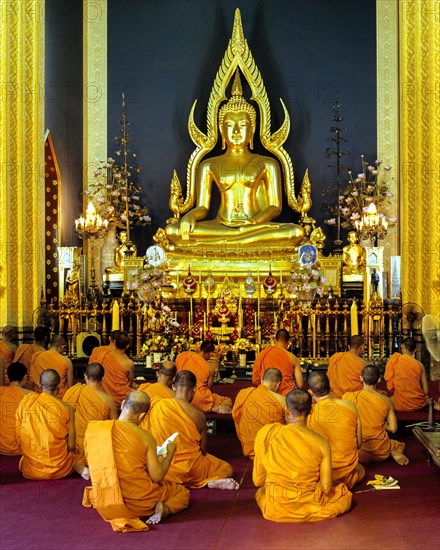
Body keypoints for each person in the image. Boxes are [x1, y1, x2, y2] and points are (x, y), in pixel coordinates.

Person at [165, 70, 304, 247]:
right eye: (230, 125)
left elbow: (275, 207)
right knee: (173, 231)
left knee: (295, 231)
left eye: (243, 125)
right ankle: (239, 240)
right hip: (220, 225)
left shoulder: (268, 163)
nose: (236, 131)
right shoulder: (209, 164)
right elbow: (203, 207)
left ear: (253, 129)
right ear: (222, 130)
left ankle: (233, 240)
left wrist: (253, 223)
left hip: (255, 226)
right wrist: (190, 215)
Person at [83, 390, 190, 531]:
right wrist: (169, 453)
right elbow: (157, 476)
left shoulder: (96, 431)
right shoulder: (146, 437)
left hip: (107, 497)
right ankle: (165, 509)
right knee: (181, 492)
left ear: (122, 405)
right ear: (143, 416)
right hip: (140, 502)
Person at [253, 389, 352, 522]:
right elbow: (326, 487)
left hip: (276, 507)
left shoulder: (267, 433)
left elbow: (258, 481)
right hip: (310, 504)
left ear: (287, 411)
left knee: (260, 493)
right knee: (343, 495)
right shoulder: (322, 443)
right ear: (311, 410)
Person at [147, 370, 239, 490]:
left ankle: (176, 481)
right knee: (226, 468)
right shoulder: (199, 416)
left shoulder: (158, 406)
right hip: (192, 470)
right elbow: (203, 451)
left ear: (174, 387)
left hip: (164, 468)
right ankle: (208, 481)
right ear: (194, 389)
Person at [16, 369, 88, 480]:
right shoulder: (67, 408)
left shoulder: (26, 403)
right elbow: (71, 446)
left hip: (32, 468)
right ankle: (77, 467)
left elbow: (19, 437)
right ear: (59, 387)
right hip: (59, 468)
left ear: (39, 384)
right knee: (80, 453)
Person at [307, 372, 365, 489]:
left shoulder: (309, 414)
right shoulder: (349, 406)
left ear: (311, 392)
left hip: (322, 477)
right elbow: (359, 444)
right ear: (331, 387)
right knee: (360, 469)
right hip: (348, 475)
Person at [343, 365, 409, 465]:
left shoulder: (349, 397)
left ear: (361, 378)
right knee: (400, 445)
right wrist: (382, 424)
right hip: (380, 449)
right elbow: (393, 428)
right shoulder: (386, 400)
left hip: (358, 449)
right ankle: (394, 451)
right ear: (378, 380)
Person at [63, 362, 117, 467]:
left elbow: (63, 419)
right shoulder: (108, 400)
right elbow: (114, 425)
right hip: (96, 447)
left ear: (85, 376)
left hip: (73, 446)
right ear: (103, 378)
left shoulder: (72, 392)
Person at [232, 368, 285, 459]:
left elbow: (236, 416)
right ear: (278, 385)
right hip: (273, 450)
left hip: (252, 449)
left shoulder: (244, 394)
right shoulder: (281, 400)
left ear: (261, 380)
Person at [175, 340, 232, 413]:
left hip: (181, 396)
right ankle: (213, 408)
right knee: (228, 401)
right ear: (210, 353)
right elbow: (209, 389)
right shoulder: (210, 367)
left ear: (200, 348)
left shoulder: (183, 356)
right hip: (200, 400)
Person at [252, 329, 303, 395]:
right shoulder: (293, 358)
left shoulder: (264, 353)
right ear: (288, 341)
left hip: (267, 394)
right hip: (287, 396)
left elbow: (255, 380)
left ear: (275, 339)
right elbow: (300, 384)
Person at [92, 331, 135, 410]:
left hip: (106, 396)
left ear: (115, 342)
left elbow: (95, 372)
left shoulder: (104, 356)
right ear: (127, 346)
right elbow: (130, 382)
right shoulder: (129, 363)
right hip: (123, 398)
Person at [384, 337, 429, 411]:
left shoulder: (395, 360)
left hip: (398, 403)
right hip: (416, 403)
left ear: (402, 347)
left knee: (383, 400)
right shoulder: (420, 365)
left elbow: (390, 387)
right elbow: (426, 391)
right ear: (415, 350)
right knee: (429, 401)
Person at [0, 362, 33, 455]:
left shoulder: (1, 392)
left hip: (1, 446)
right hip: (23, 447)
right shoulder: (31, 395)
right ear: (25, 377)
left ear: (7, 377)